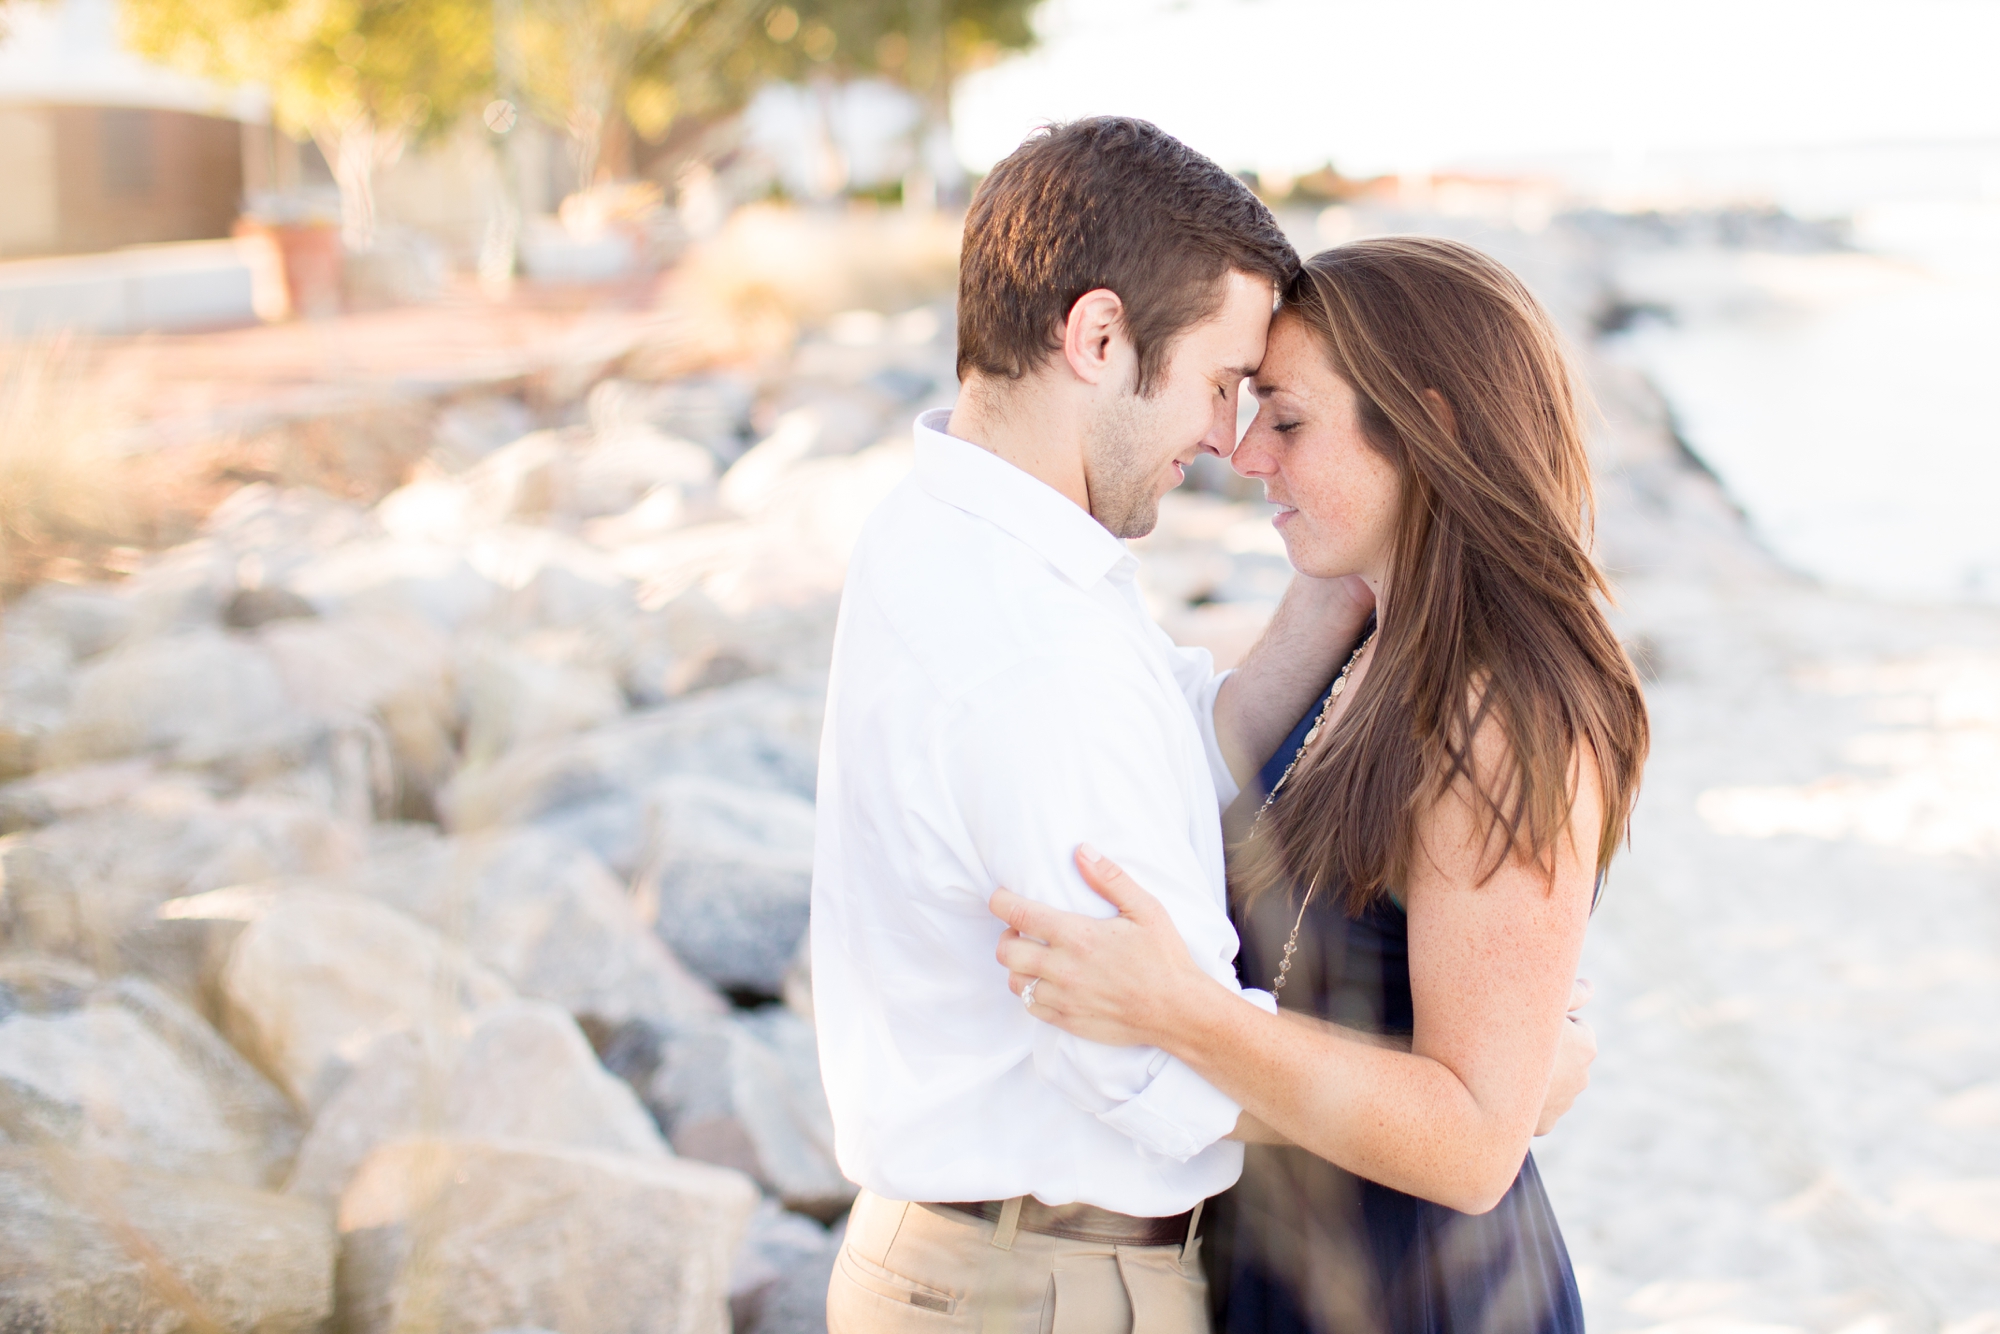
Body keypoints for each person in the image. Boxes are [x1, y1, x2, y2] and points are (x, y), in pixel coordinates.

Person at [991, 236, 1649, 1334]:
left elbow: (1475, 1142)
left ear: (1430, 425)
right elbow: (1207, 769)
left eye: (1286, 420)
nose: (1244, 453)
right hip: (1282, 1272)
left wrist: (1179, 1011)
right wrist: (1345, 568)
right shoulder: (1366, 643)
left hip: (1421, 1294)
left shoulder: (1501, 715)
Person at [810, 115, 1367, 1334]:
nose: (1226, 441)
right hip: (1040, 1287)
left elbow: (1168, 743)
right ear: (1098, 336)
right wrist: (1455, 1103)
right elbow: (1148, 1065)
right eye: (1219, 385)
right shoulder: (1030, 651)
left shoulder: (955, 529)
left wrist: (1348, 566)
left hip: (976, 1266)